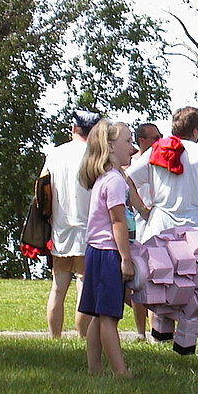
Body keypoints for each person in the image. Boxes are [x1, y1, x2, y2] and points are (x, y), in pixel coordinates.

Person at [126, 107, 198, 353]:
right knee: (194, 286)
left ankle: (159, 336)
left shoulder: (157, 148)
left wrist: (143, 209)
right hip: (193, 227)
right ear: (196, 130)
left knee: (159, 283)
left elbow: (128, 179)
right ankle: (186, 341)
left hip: (160, 224)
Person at [76, 121, 135, 377]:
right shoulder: (115, 181)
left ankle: (94, 369)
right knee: (109, 317)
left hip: (94, 252)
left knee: (97, 316)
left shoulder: (103, 178)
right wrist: (126, 259)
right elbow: (118, 221)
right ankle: (120, 372)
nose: (132, 149)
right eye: (128, 142)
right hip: (109, 253)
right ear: (111, 147)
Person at [41, 109, 100, 339]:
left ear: (74, 128)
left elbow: (42, 190)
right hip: (89, 230)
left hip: (61, 229)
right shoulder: (96, 155)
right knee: (83, 287)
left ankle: (54, 336)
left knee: (58, 287)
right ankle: (82, 336)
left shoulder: (55, 154)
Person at [128, 122, 161, 340]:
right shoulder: (132, 163)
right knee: (138, 282)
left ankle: (157, 330)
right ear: (142, 141)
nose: (160, 141)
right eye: (155, 137)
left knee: (158, 281)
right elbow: (126, 182)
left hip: (155, 227)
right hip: (138, 227)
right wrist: (141, 208)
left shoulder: (161, 159)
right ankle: (140, 332)